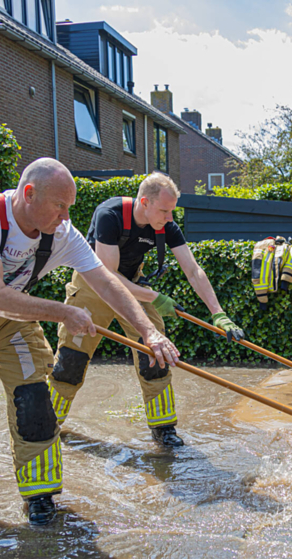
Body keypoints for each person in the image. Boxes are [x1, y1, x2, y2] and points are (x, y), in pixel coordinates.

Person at [0, 158, 179, 526]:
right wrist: (64, 312)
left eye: (69, 207)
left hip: (12, 323)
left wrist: (148, 332)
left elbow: (106, 281)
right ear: (28, 194)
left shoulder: (63, 233)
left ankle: (41, 501)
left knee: (36, 404)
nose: (66, 216)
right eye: (60, 205)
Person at [48, 172, 244, 448]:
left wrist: (218, 313)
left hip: (134, 286)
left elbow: (193, 270)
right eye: (164, 210)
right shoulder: (110, 215)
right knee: (71, 360)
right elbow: (107, 276)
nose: (170, 218)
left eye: (172, 210)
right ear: (144, 203)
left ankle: (163, 431)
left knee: (156, 354)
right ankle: (48, 423)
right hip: (93, 286)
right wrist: (154, 296)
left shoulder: (165, 225)